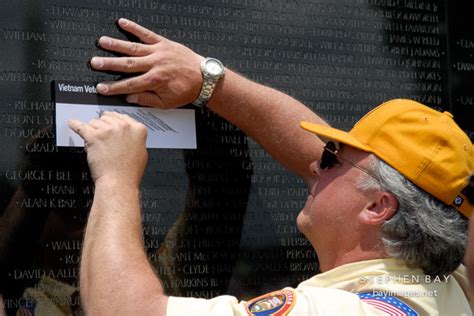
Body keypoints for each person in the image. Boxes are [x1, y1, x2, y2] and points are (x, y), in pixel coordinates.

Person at [69, 18, 474, 315]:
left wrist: (116, 177)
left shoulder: (331, 311)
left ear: (378, 207)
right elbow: (320, 155)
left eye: (333, 159)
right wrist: (206, 81)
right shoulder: (451, 287)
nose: (316, 165)